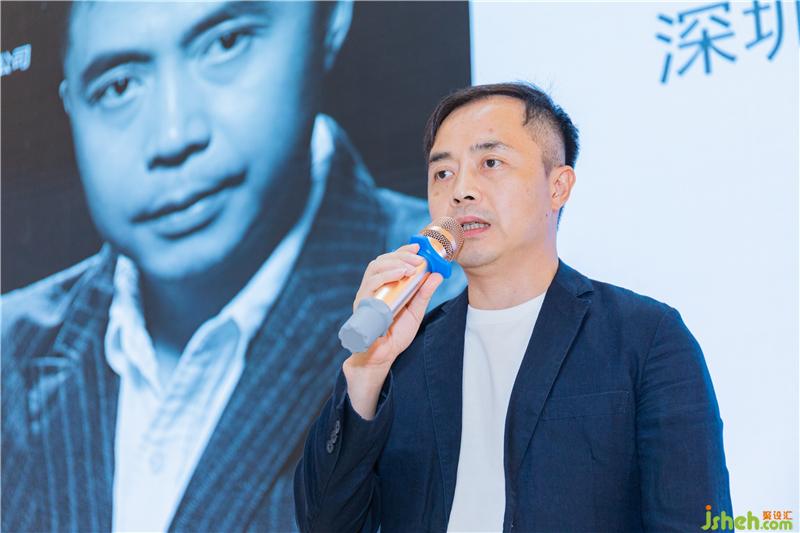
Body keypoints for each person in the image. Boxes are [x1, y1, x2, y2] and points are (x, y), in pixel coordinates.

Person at [0, 2, 464, 532]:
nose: (174, 136)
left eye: (225, 43)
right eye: (119, 86)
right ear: (71, 108)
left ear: (329, 19)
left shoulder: (456, 304)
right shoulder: (9, 348)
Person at [294, 82, 733, 532]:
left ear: (558, 186)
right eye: (442, 173)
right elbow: (323, 524)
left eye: (490, 163)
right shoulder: (406, 354)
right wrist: (367, 370)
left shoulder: (644, 337)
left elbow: (693, 520)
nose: (461, 190)